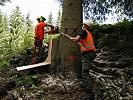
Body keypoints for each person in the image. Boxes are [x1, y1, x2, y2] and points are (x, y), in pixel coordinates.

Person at [64, 20, 96, 100]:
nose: (82, 26)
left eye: (83, 25)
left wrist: (73, 39)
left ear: (85, 26)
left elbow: (76, 39)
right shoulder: (87, 34)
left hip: (88, 54)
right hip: (90, 53)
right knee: (84, 68)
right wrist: (70, 38)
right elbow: (79, 43)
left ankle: (89, 94)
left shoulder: (83, 31)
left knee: (85, 72)